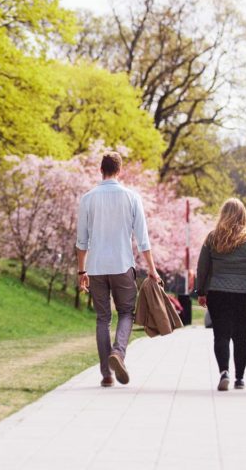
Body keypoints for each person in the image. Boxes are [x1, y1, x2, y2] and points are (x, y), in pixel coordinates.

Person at [76, 152, 162, 387]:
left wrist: (81, 272)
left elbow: (81, 241)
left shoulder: (88, 198)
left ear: (100, 170)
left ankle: (106, 374)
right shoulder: (131, 197)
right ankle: (119, 352)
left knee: (103, 318)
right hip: (122, 264)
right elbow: (143, 239)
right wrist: (152, 270)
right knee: (126, 313)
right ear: (119, 170)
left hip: (96, 267)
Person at [195, 198, 246, 391]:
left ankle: (224, 372)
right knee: (241, 336)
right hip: (244, 293)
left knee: (220, 335)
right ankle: (239, 378)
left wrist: (202, 291)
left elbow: (202, 267)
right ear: (243, 215)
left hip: (218, 293)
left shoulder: (212, 238)